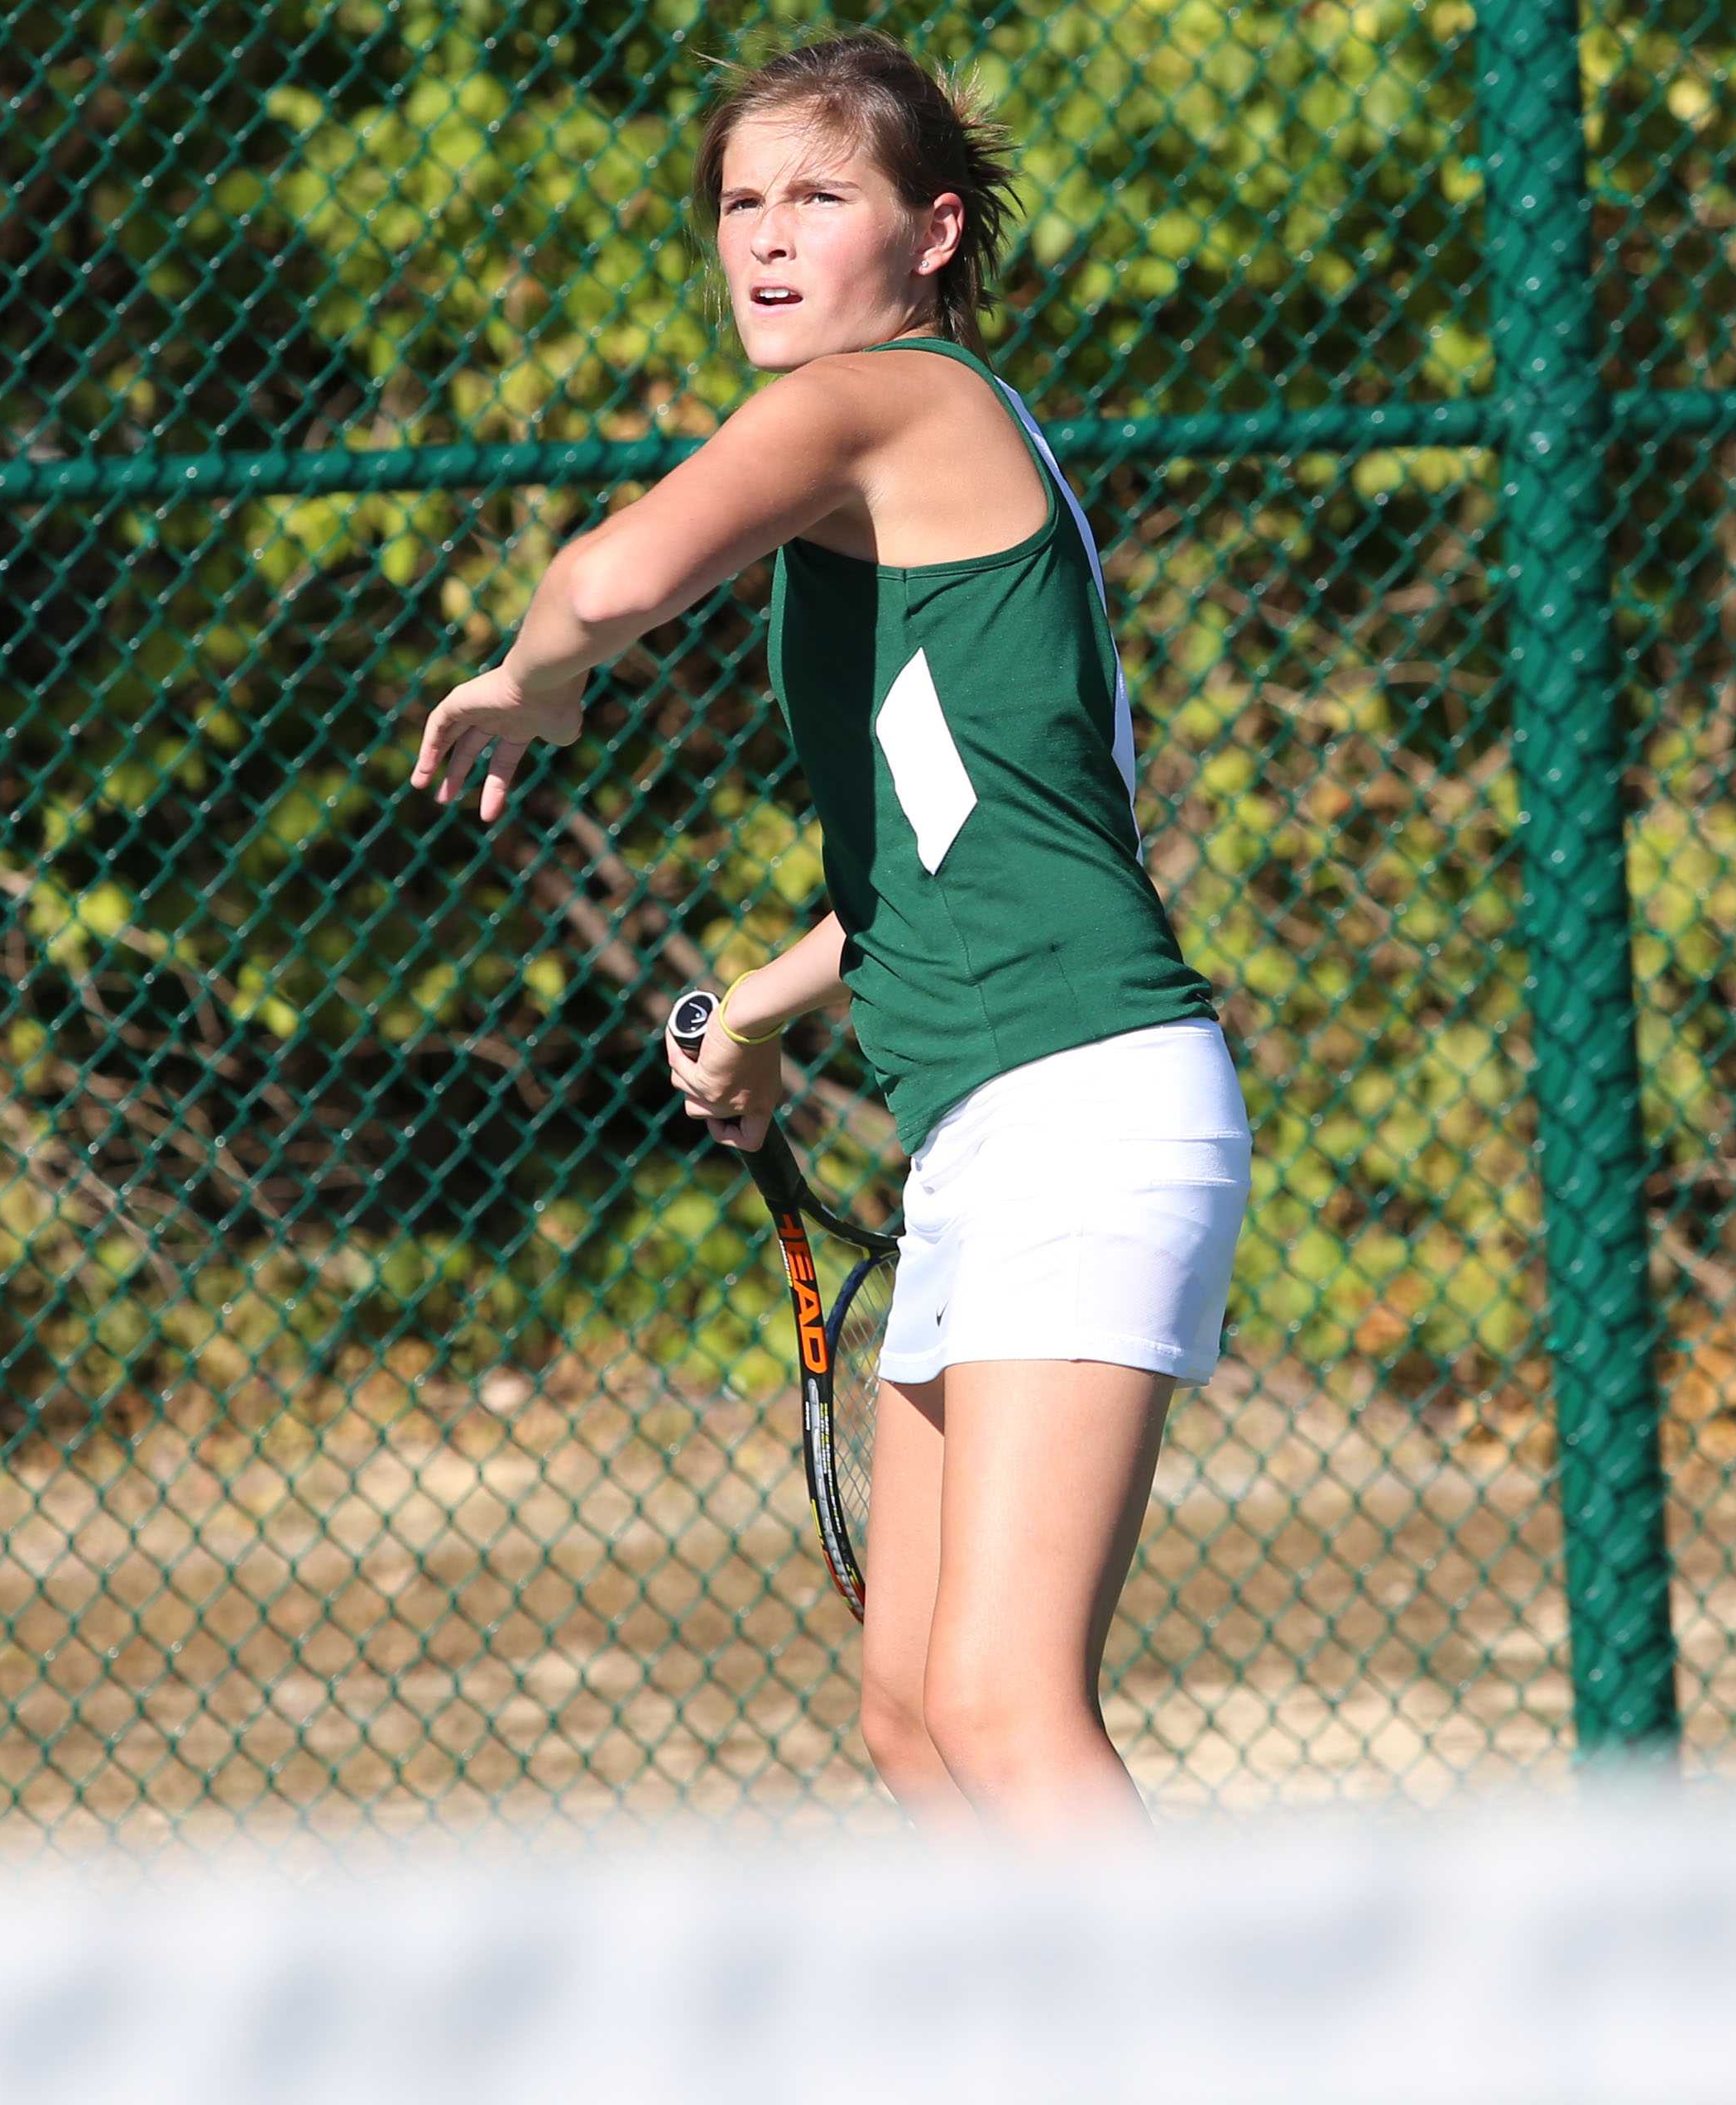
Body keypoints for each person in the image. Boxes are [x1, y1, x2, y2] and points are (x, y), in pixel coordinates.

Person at [408, 30, 1252, 1834]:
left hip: (1084, 1102)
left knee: (1006, 1712)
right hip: (998, 1121)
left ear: (932, 232)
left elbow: (607, 581)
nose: (766, 239)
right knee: (913, 1720)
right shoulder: (924, 468)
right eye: (737, 202)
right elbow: (954, 846)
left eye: (819, 196)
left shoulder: (882, 402)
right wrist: (777, 1011)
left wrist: (536, 682)